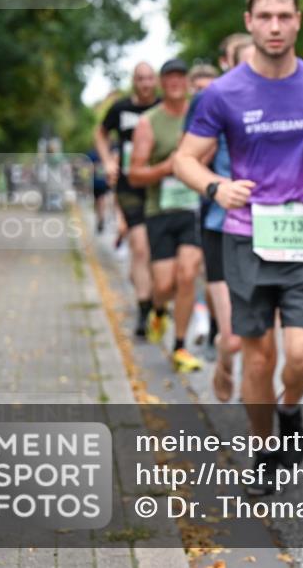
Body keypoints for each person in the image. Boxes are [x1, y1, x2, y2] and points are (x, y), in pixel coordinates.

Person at [175, 0, 303, 487]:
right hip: (246, 234)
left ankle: (290, 407)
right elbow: (184, 160)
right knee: (257, 355)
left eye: (284, 16)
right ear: (249, 23)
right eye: (265, 17)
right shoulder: (223, 93)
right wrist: (214, 188)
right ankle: (265, 455)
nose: (275, 26)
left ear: (297, 22)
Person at [128, 59, 204, 372]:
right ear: (161, 83)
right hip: (159, 211)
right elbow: (134, 173)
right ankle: (158, 310)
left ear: (187, 82)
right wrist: (167, 167)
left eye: (179, 77)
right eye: (168, 78)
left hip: (191, 209)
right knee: (163, 284)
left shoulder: (200, 118)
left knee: (187, 276)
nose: (174, 83)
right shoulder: (149, 122)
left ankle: (180, 345)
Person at [187, 39, 254, 400]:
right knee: (232, 336)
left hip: (269, 228)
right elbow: (190, 159)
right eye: (243, 63)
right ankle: (224, 360)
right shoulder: (214, 101)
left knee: (260, 333)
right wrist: (217, 185)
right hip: (221, 223)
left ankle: (255, 398)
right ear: (228, 64)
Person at [93, 63, 160, 337]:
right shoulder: (120, 109)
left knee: (158, 254)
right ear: (133, 81)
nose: (145, 84)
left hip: (160, 185)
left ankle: (157, 301)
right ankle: (144, 311)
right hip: (129, 185)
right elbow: (100, 132)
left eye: (148, 79)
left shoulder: (163, 106)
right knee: (140, 247)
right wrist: (108, 160)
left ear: (155, 81)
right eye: (139, 79)